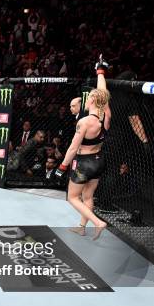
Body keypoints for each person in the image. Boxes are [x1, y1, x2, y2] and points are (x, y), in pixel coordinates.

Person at [56, 56, 111, 239]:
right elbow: (103, 91)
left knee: (72, 197)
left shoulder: (85, 122)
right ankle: (81, 226)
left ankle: (98, 223)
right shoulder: (105, 116)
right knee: (88, 197)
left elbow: (73, 147)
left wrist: (63, 166)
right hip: (98, 161)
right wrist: (100, 72)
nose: (86, 100)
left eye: (89, 98)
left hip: (84, 164)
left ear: (93, 101)